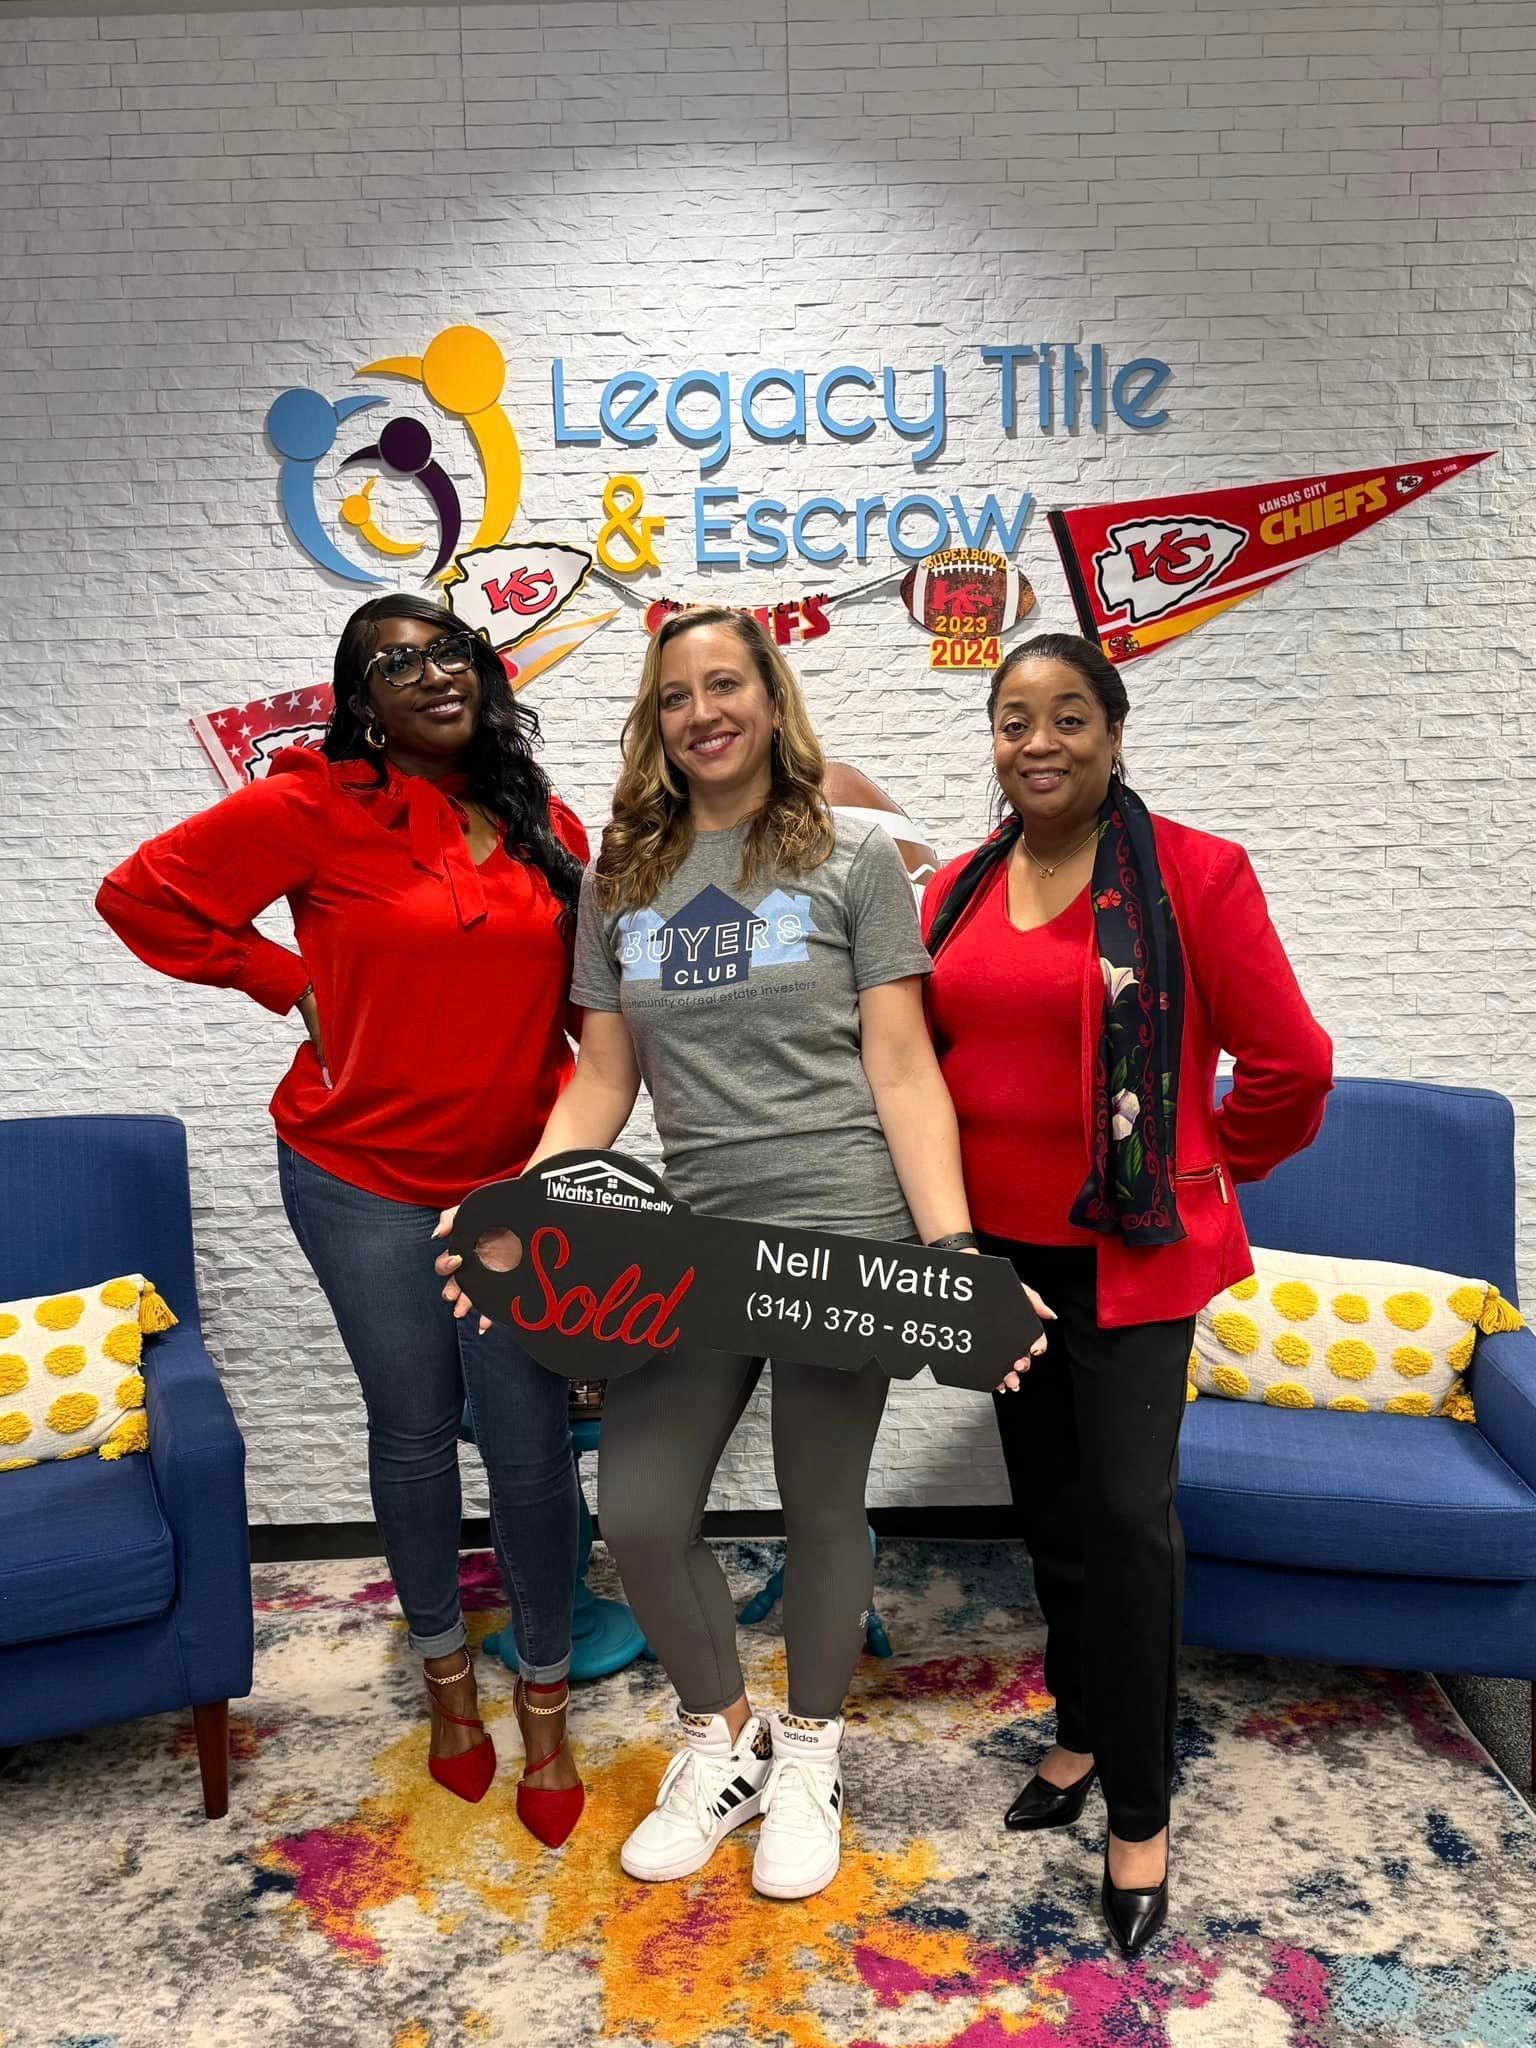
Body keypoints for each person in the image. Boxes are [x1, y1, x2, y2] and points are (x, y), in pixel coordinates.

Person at [437, 606, 1044, 1900]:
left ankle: (812, 1751)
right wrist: (521, 1206)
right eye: (676, 695)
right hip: (693, 1241)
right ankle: (726, 1738)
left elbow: (902, 1066)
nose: (703, 712)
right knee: (643, 1513)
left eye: (726, 685)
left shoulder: (851, 854)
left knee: (823, 1507)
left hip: (840, 1228)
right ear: (654, 720)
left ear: (771, 699)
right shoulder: (620, 877)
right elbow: (603, 1078)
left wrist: (951, 1246)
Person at [96, 594, 589, 1846]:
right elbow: (141, 894)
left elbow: (597, 1007)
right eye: (394, 662)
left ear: (484, 670)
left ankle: (543, 1693)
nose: (430, 673)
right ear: (361, 702)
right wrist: (282, 977)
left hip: (514, 1181)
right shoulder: (309, 805)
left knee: (530, 1443)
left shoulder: (545, 821)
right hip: (358, 1172)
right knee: (414, 1430)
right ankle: (447, 1681)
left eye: (448, 649)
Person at [922, 631, 1333, 1956]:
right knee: (1049, 1510)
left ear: (1112, 731)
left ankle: (1141, 1809)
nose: (1037, 741)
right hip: (997, 1255)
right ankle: (1084, 1726)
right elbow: (922, 1058)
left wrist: (1203, 1165)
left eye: (1067, 717)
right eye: (1013, 718)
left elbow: (1293, 1064)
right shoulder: (957, 887)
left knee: (1125, 1520)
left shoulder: (1196, 876)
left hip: (1131, 1255)